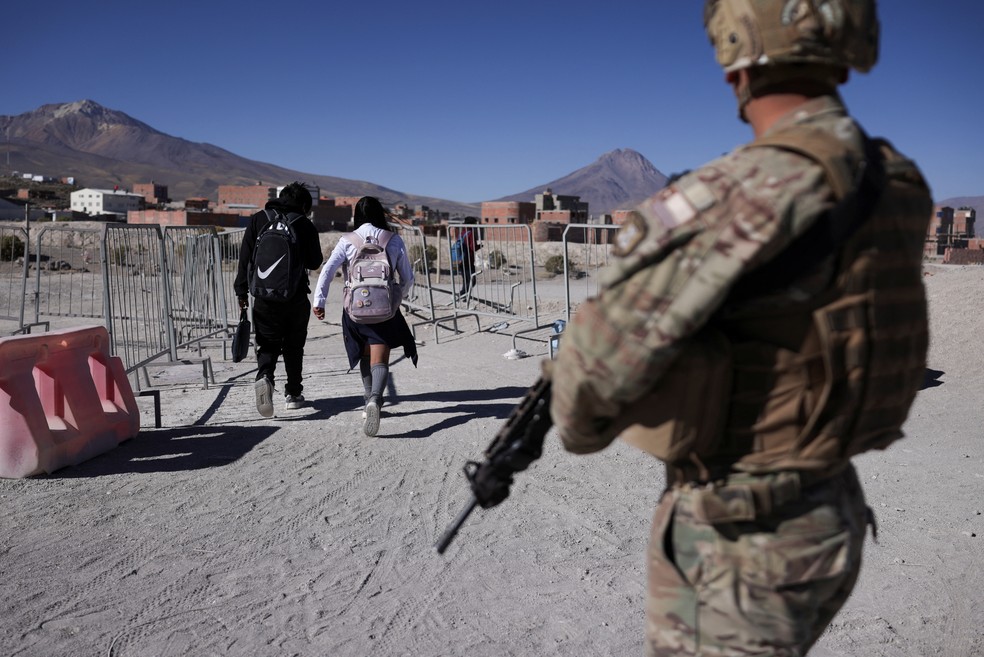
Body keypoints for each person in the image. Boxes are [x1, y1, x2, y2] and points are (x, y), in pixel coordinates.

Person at [547, 1, 932, 655]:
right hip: (830, 506)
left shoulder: (741, 190)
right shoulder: (898, 179)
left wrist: (579, 425)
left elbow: (591, 378)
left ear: (736, 65)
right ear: (848, 50)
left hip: (742, 542)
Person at [312, 196, 418, 437]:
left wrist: (319, 301)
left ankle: (367, 400)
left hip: (354, 309)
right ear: (380, 214)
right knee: (380, 357)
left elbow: (327, 269)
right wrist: (395, 298)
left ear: (356, 215)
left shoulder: (347, 240)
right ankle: (375, 401)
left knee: (364, 353)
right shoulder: (393, 239)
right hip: (384, 310)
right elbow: (408, 278)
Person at [234, 182, 324, 417]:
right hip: (294, 296)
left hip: (263, 297)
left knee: (268, 343)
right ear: (304, 204)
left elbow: (245, 259)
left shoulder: (258, 219)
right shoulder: (303, 224)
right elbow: (315, 262)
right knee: (294, 346)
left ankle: (265, 377)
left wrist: (241, 292)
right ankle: (293, 394)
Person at [455, 218, 482, 297]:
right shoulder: (470, 234)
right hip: (468, 260)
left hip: (461, 259)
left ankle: (464, 296)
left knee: (466, 280)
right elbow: (472, 247)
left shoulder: (462, 233)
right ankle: (462, 294)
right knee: (472, 281)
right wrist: (479, 246)